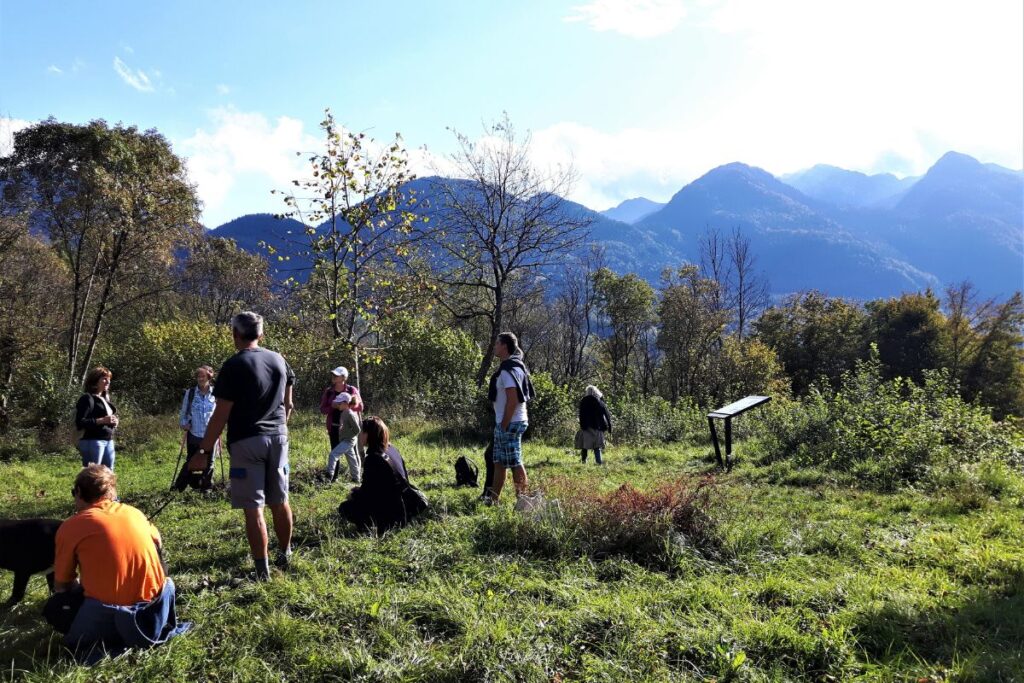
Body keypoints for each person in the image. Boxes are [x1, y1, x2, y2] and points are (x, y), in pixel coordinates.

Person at [46, 465, 190, 664]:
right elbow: (158, 545)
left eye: (73, 493)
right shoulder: (135, 513)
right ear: (111, 491)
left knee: (55, 610)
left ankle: (110, 639)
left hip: (107, 611)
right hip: (154, 609)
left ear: (78, 492)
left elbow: (61, 585)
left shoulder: (71, 526)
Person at [196, 312, 295, 580]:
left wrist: (204, 451)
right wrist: (278, 427)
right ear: (261, 334)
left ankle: (262, 571)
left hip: (246, 441)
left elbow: (221, 413)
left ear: (235, 335)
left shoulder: (234, 365)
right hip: (279, 437)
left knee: (254, 509)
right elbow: (289, 404)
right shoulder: (279, 360)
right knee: (280, 500)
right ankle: (286, 554)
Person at [338, 416, 427, 533]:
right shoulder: (391, 449)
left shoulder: (373, 458)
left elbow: (367, 494)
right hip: (405, 503)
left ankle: (370, 527)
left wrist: (354, 494)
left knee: (345, 508)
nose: (359, 435)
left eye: (361, 432)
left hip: (392, 513)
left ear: (368, 434)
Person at [484, 332, 535, 504]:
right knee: (499, 461)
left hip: (510, 422)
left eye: (497, 343)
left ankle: (523, 501)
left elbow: (513, 399)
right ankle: (493, 500)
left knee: (514, 462)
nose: (495, 346)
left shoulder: (507, 370)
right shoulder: (515, 366)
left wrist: (504, 424)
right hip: (509, 421)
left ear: (505, 346)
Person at [172, 365, 217, 491]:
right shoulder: (190, 393)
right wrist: (184, 423)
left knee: (209, 462)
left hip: (210, 434)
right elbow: (184, 412)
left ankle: (206, 488)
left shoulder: (216, 393)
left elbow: (219, 412)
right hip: (194, 433)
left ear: (209, 377)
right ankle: (178, 487)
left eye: (203, 376)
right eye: (198, 376)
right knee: (191, 461)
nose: (200, 379)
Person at [74, 367, 119, 470]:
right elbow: (80, 422)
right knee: (92, 474)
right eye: (104, 378)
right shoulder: (87, 398)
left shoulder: (104, 399)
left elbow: (107, 419)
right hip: (92, 441)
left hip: (108, 440)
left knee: (108, 473)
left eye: (109, 379)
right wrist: (103, 420)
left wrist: (114, 421)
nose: (108, 381)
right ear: (94, 380)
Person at [318, 366, 362, 450]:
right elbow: (322, 409)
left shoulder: (351, 390)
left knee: (354, 454)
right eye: (333, 374)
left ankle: (357, 464)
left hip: (350, 428)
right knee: (334, 453)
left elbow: (360, 407)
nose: (333, 376)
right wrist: (333, 407)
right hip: (334, 427)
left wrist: (348, 406)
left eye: (336, 375)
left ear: (343, 378)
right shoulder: (329, 391)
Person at [324, 392, 361, 482]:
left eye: (339, 403)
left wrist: (348, 437)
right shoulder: (344, 412)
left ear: (345, 403)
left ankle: (329, 476)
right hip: (345, 439)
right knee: (351, 459)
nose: (337, 405)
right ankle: (356, 479)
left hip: (349, 440)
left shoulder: (350, 414)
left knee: (333, 455)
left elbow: (357, 430)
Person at [576, 385, 612, 464]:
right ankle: (599, 462)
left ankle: (583, 461)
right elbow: (607, 415)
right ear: (596, 391)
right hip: (597, 427)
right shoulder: (599, 402)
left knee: (585, 446)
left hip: (585, 427)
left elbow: (581, 415)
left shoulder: (583, 401)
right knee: (597, 446)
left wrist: (582, 425)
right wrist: (609, 427)